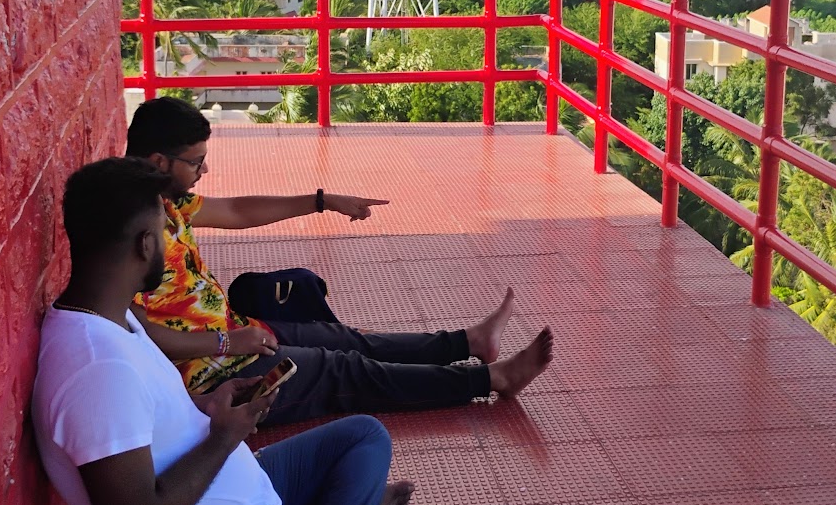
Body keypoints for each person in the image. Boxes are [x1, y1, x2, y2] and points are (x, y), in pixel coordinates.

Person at [32, 157, 420, 505]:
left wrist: (209, 409)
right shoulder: (95, 367)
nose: (170, 246)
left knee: (365, 436)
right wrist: (225, 437)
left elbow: (143, 424)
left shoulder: (110, 315)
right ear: (145, 244)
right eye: (165, 233)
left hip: (229, 497)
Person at [124, 96, 553, 420]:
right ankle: (494, 378)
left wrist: (323, 201)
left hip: (236, 333)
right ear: (159, 160)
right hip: (214, 373)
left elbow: (237, 210)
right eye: (196, 163)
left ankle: (469, 343)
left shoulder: (167, 198)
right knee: (345, 369)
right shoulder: (126, 229)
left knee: (345, 339)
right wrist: (227, 342)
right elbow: (138, 332)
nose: (203, 172)